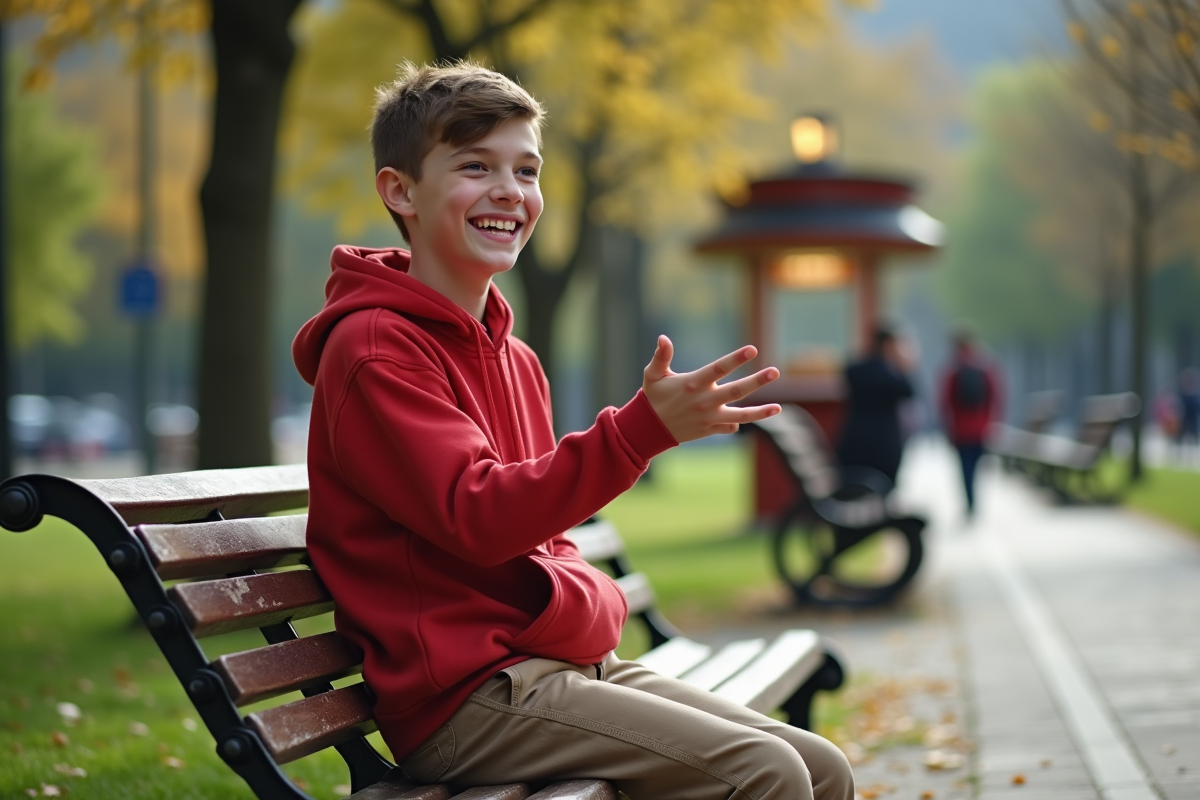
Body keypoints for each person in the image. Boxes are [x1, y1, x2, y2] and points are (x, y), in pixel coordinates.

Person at [291, 62, 853, 800]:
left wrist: (590, 612)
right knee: (766, 773)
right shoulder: (374, 351)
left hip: (554, 667)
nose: (509, 191)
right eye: (474, 165)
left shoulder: (516, 358)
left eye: (527, 170)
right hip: (465, 702)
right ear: (401, 191)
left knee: (820, 765)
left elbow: (547, 541)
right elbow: (478, 514)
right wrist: (635, 435)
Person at [835, 325, 916, 489]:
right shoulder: (891, 375)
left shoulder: (855, 370)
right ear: (889, 345)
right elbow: (909, 391)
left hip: (852, 445)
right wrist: (903, 366)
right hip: (885, 450)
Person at [938, 329, 1002, 518]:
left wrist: (947, 428)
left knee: (965, 468)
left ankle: (970, 503)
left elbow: (944, 402)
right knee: (977, 467)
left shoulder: (953, 370)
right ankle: (975, 502)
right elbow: (996, 396)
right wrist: (992, 423)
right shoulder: (985, 366)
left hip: (960, 429)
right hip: (981, 427)